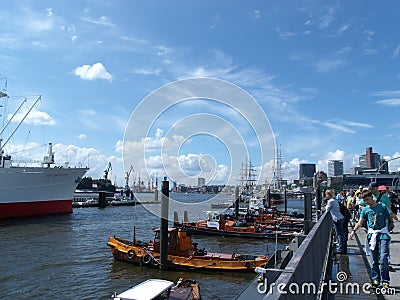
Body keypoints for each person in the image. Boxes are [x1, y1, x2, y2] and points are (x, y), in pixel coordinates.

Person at [349, 190, 400, 288]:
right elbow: (360, 222)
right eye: (365, 200)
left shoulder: (382, 207)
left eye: (367, 199)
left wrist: (397, 219)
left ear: (372, 197)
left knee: (384, 257)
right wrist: (353, 231)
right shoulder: (366, 210)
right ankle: (376, 279)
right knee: (374, 259)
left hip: (383, 234)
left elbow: (392, 215)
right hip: (372, 235)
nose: (367, 202)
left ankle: (385, 280)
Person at [325, 189, 347, 254]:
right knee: (341, 234)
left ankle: (340, 249)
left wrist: (326, 203)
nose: (326, 196)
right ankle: (343, 247)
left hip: (337, 219)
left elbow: (327, 210)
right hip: (341, 218)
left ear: (329, 195)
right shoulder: (335, 200)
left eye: (326, 194)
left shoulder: (330, 201)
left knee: (339, 234)